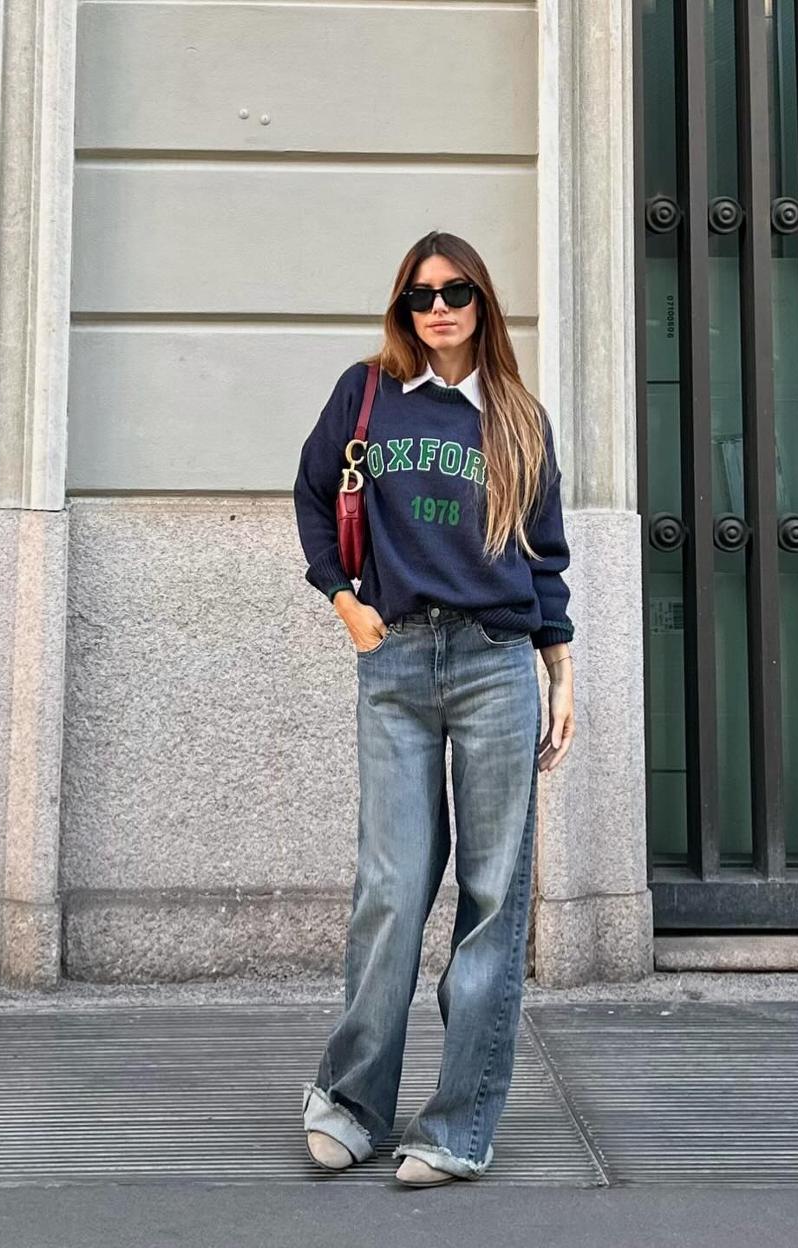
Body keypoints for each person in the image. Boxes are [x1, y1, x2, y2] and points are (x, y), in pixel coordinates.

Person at [292, 230, 575, 1186]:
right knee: (392, 886)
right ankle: (353, 1102)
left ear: (482, 302)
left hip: (497, 664)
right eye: (421, 295)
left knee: (493, 898)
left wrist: (562, 672)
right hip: (398, 660)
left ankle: (459, 1124)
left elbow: (544, 556)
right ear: (402, 307)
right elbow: (312, 496)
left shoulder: (518, 418)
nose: (439, 308)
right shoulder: (367, 393)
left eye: (456, 292)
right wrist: (346, 603)